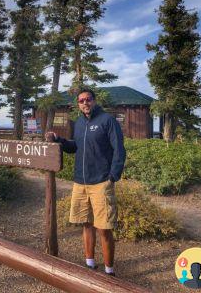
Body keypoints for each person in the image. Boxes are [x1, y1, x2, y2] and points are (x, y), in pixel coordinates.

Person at [46, 87, 126, 276]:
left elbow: (119, 150)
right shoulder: (80, 123)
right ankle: (90, 264)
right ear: (78, 104)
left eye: (88, 99)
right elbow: (76, 147)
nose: (85, 103)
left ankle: (109, 271)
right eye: (81, 101)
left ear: (94, 100)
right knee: (86, 224)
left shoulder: (107, 120)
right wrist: (60, 140)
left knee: (104, 228)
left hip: (101, 182)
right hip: (80, 182)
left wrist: (113, 176)